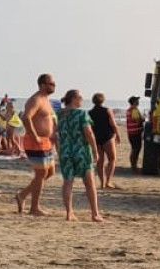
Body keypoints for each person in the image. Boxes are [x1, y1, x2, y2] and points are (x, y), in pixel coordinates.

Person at [55, 88, 103, 221]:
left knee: (68, 182)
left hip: (65, 151)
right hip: (81, 151)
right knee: (89, 183)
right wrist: (94, 150)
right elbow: (88, 133)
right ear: (74, 99)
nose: (82, 99)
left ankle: (69, 213)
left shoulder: (59, 114)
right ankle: (95, 213)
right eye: (80, 97)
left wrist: (58, 149)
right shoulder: (82, 114)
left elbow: (55, 134)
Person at [15, 73, 57, 217]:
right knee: (41, 173)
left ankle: (22, 195)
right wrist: (35, 136)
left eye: (54, 83)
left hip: (46, 142)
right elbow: (26, 117)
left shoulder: (46, 100)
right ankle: (34, 207)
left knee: (50, 172)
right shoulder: (36, 99)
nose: (54, 86)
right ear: (42, 85)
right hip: (35, 142)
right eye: (51, 84)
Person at [90, 92, 120, 190]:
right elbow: (113, 124)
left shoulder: (90, 112)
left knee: (100, 162)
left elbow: (89, 127)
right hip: (107, 137)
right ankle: (108, 182)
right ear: (103, 100)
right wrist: (118, 135)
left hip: (96, 138)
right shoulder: (107, 110)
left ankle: (102, 183)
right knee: (112, 159)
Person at [125, 96, 145, 171]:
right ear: (134, 102)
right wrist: (143, 119)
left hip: (130, 132)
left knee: (134, 149)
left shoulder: (128, 110)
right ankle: (134, 166)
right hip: (135, 132)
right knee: (136, 149)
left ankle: (133, 165)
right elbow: (137, 120)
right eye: (137, 101)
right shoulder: (134, 110)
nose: (138, 102)